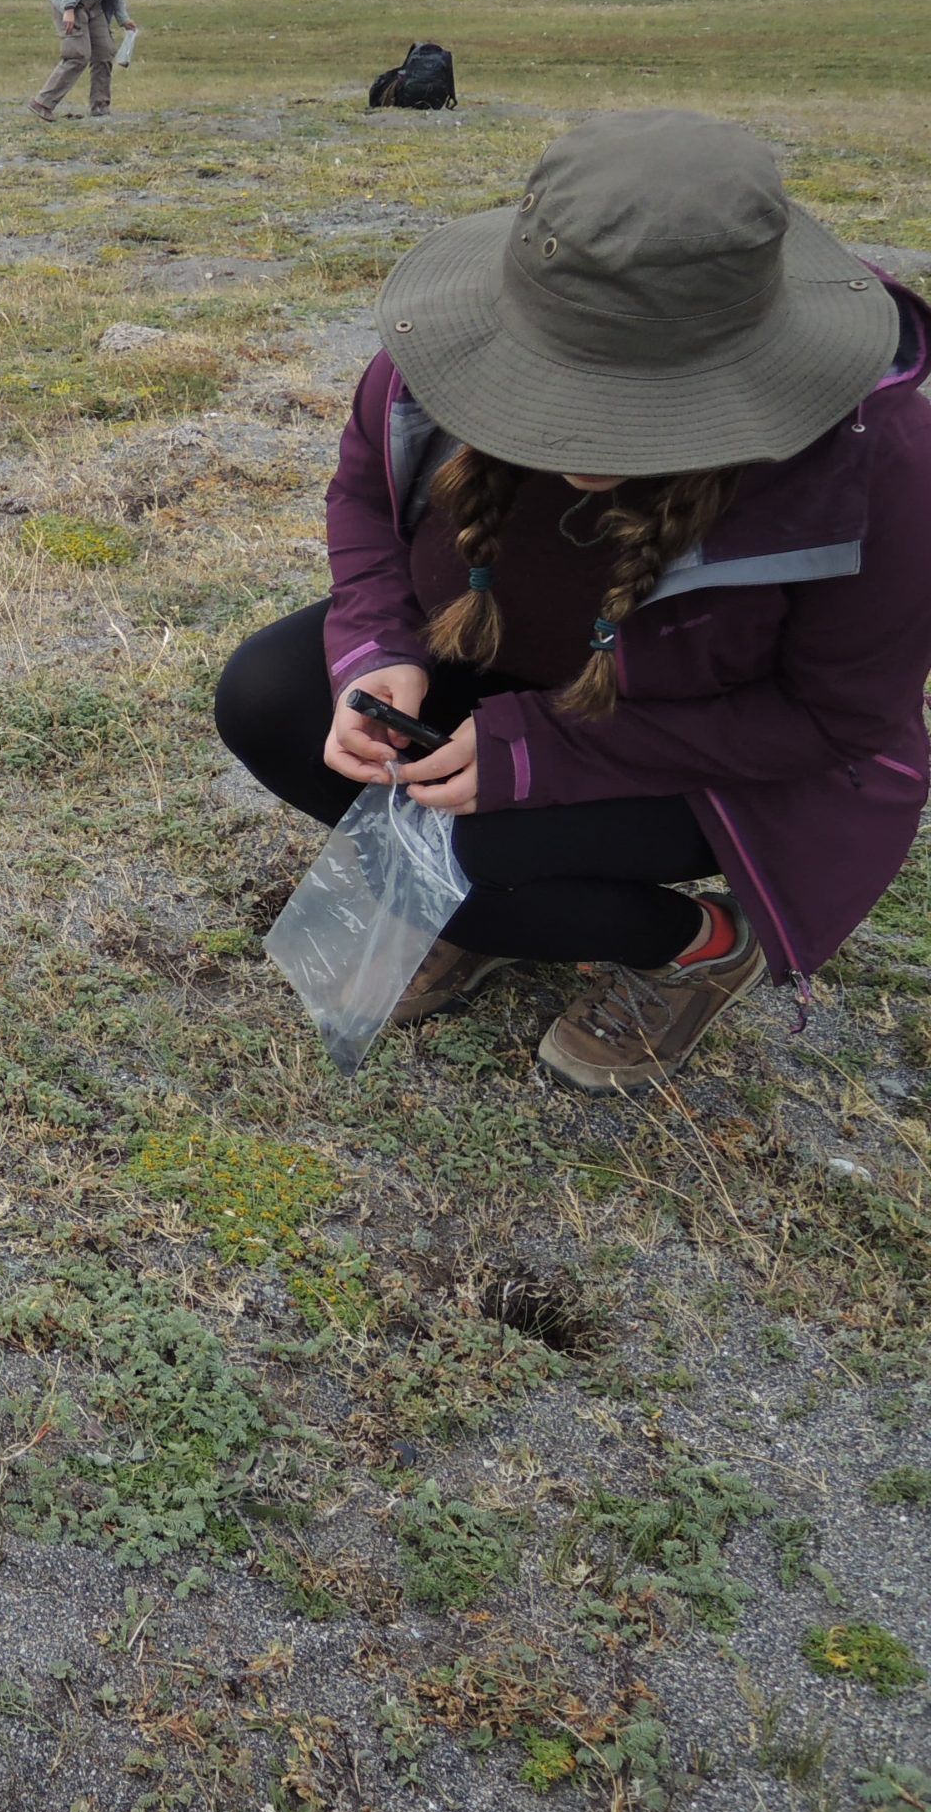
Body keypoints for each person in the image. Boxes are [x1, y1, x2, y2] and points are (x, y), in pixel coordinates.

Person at [213, 109, 931, 1092]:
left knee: (448, 852)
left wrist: (535, 756)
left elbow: (832, 720)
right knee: (266, 701)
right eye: (564, 389)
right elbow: (362, 503)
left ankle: (695, 943)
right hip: (501, 673)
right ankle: (495, 907)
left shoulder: (872, 463)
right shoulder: (441, 349)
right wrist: (373, 649)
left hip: (710, 751)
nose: (586, 448)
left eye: (640, 410)